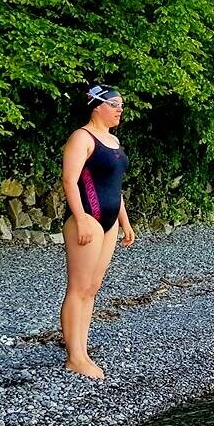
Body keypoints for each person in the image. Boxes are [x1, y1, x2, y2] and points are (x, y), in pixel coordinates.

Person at [60, 85, 133, 379]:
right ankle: (75, 357)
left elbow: (115, 186)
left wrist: (125, 221)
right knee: (78, 288)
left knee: (92, 288)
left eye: (122, 105)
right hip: (88, 218)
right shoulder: (82, 137)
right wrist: (80, 218)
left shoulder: (113, 140)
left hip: (110, 220)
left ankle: (82, 349)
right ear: (96, 106)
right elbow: (69, 180)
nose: (120, 109)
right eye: (114, 104)